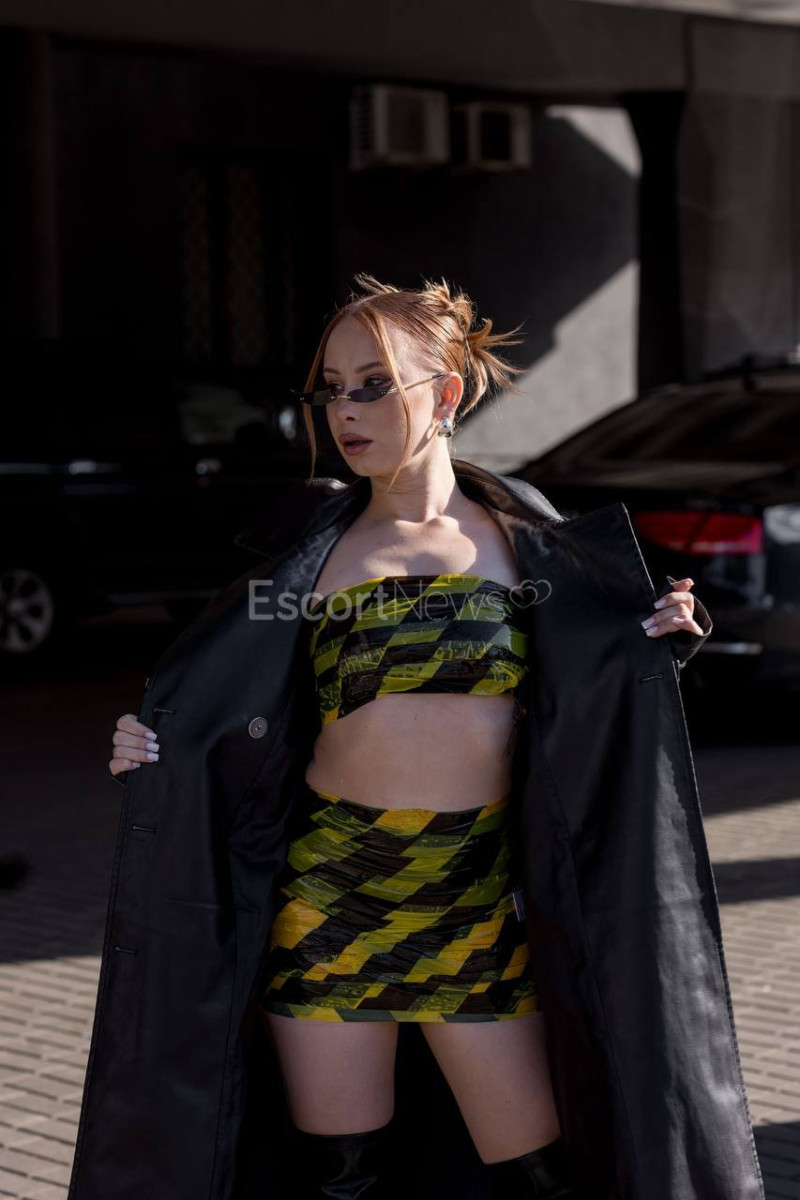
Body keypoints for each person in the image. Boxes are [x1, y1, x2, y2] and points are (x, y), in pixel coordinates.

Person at [107, 274, 708, 1199]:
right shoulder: (306, 558)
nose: (345, 410)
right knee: (341, 1180)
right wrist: (149, 748)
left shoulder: (529, 544)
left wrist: (666, 638)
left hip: (477, 907)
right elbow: (217, 706)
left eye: (374, 384)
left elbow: (599, 692)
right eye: (331, 389)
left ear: (448, 393)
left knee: (542, 1177)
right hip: (329, 902)